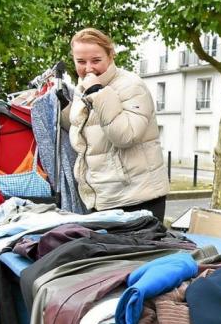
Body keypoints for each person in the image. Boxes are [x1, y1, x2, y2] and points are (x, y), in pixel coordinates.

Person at [60, 28, 169, 221]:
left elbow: (125, 136)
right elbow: (88, 132)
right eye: (81, 62)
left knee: (139, 253)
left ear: (111, 55)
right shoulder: (82, 87)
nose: (88, 68)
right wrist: (60, 108)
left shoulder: (131, 86)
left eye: (96, 60)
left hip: (138, 198)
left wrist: (98, 92)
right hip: (103, 198)